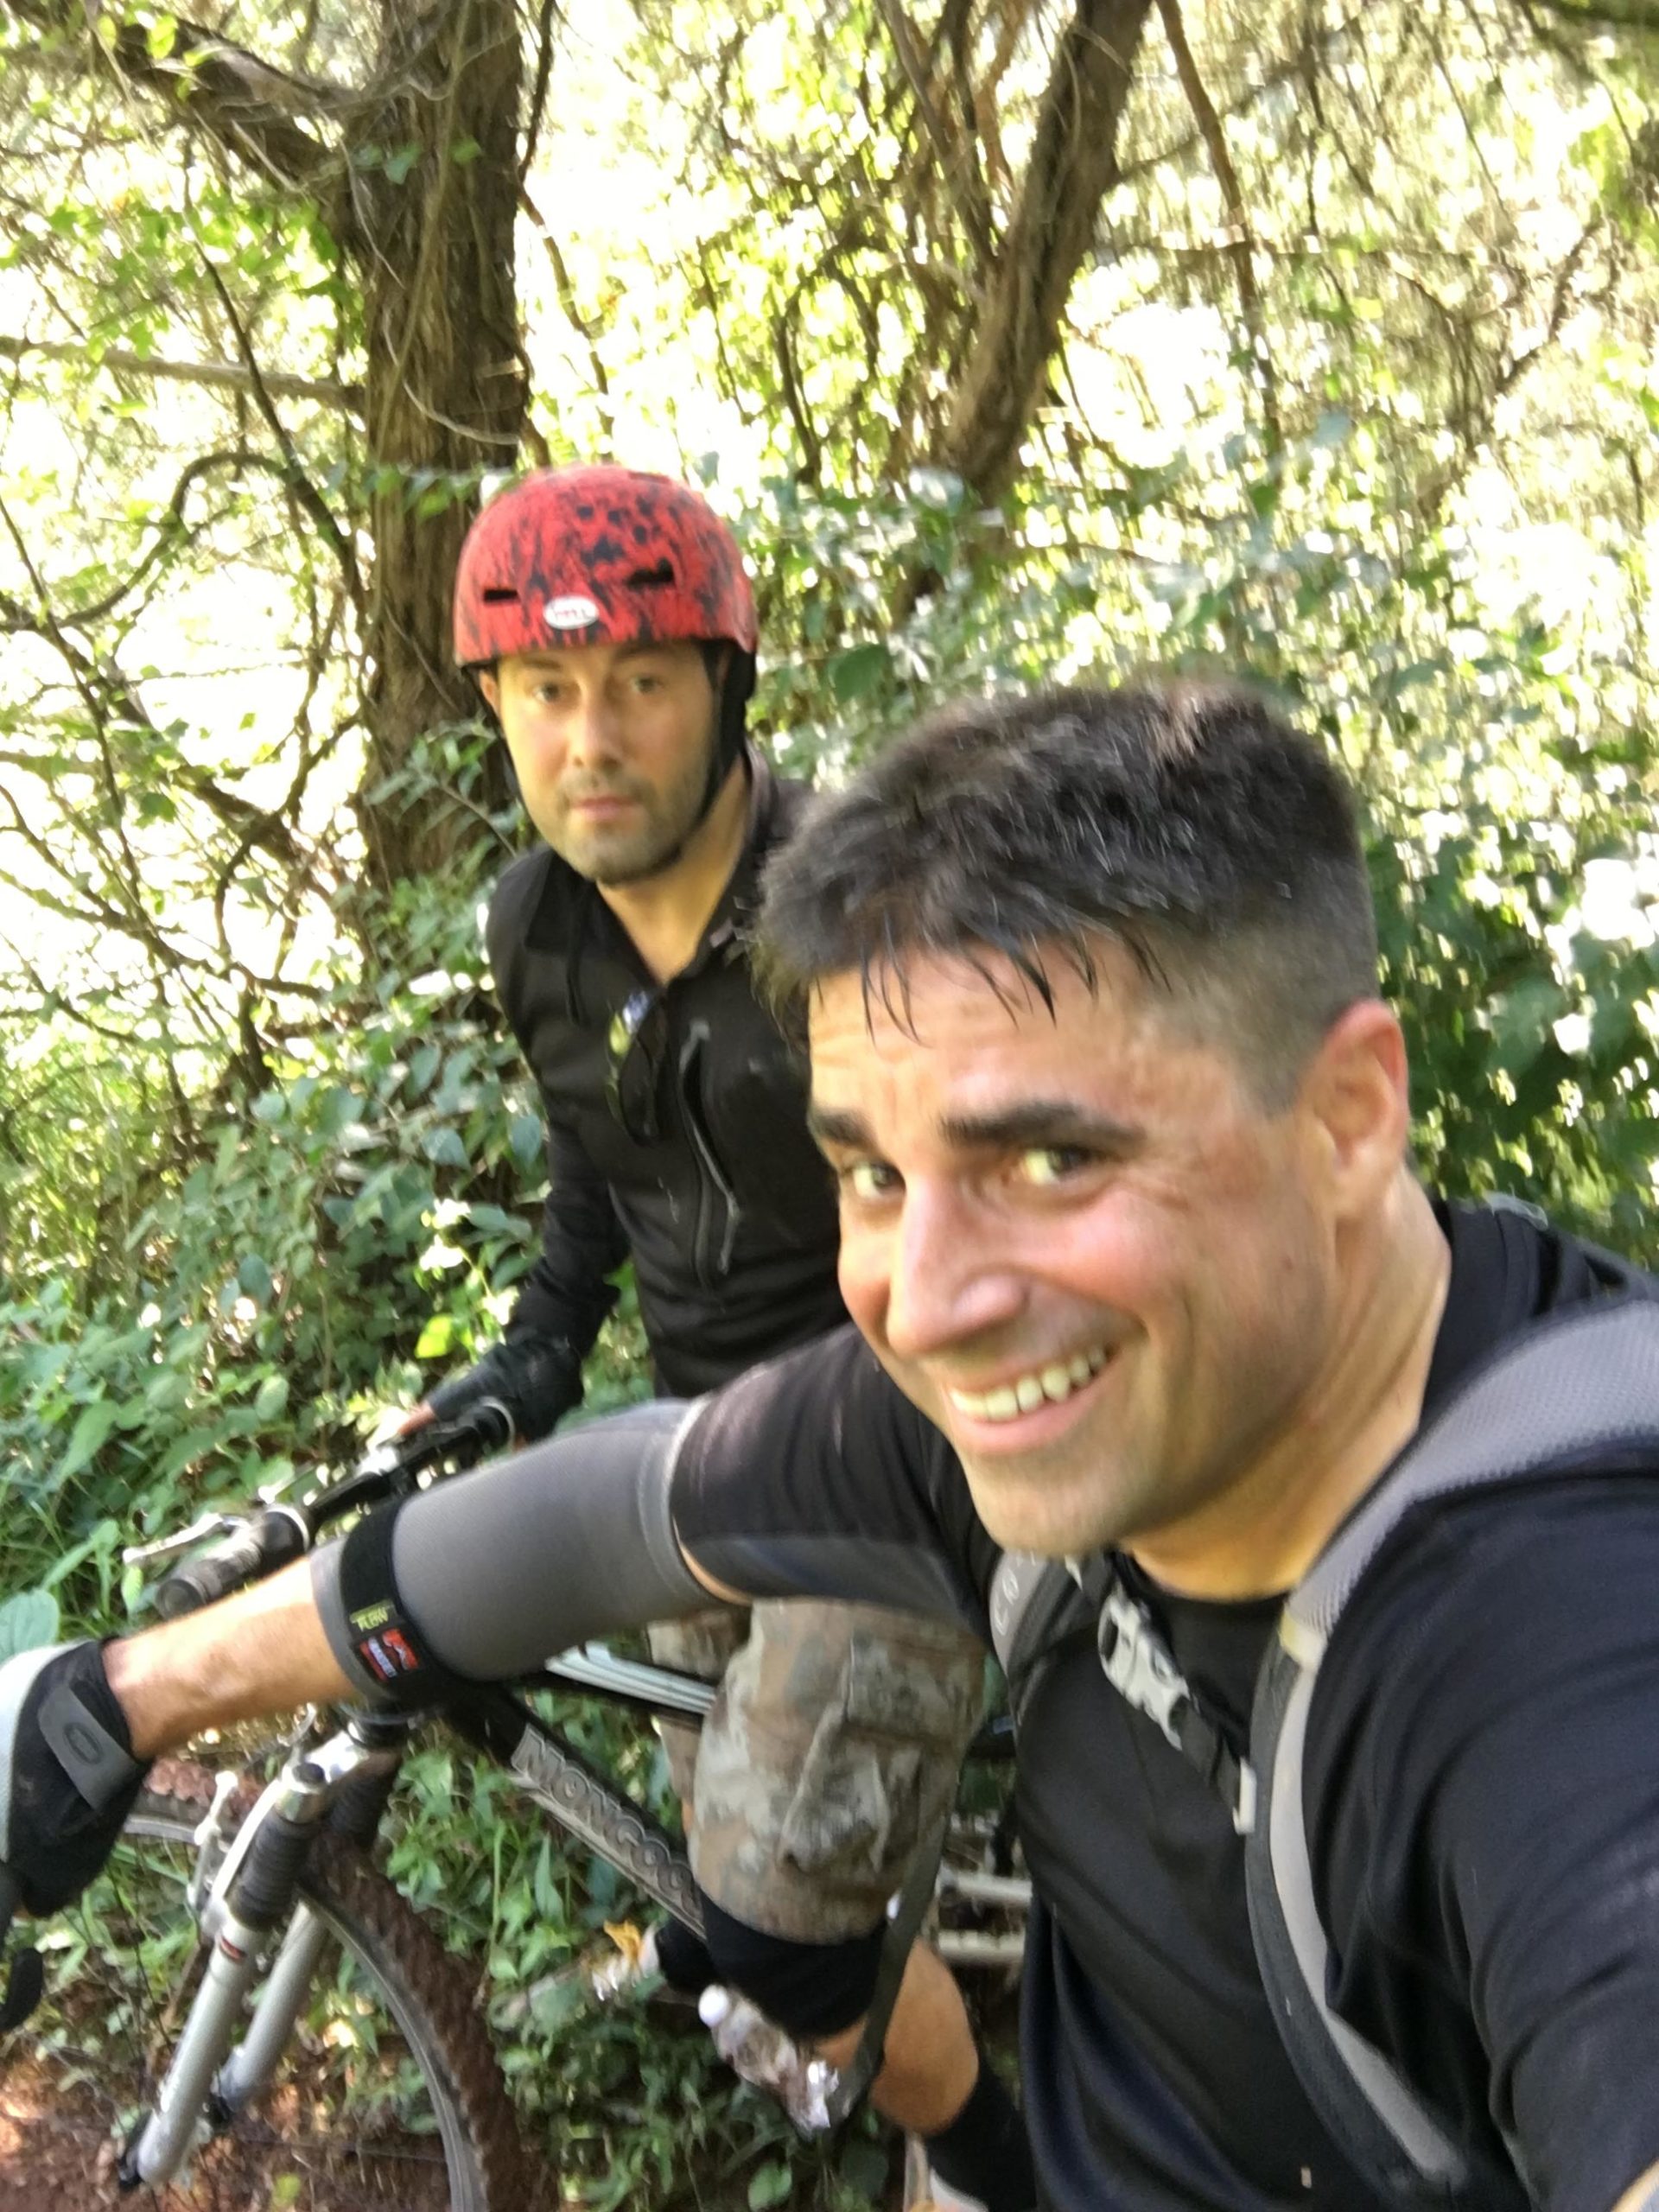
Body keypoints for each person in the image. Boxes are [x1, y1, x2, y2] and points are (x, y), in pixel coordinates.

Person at [7, 679, 1659, 2212]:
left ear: (1351, 1117)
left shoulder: (1565, 1660)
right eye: (871, 1174)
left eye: (1051, 1158)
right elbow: (597, 1514)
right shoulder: (1008, 1400)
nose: (922, 1306)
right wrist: (120, 1699)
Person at [397, 463, 1018, 2209]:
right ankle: (913, 1986)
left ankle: (996, 2152)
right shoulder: (536, 926)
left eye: (640, 684)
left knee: (765, 1917)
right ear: (501, 713)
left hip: (891, 1460)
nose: (590, 736)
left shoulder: (857, 919)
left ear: (725, 690)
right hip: (695, 1459)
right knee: (751, 1876)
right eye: (544, 691)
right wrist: (535, 1349)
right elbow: (606, 1165)